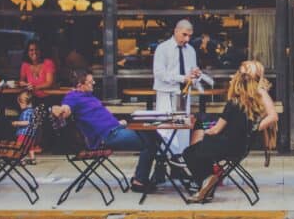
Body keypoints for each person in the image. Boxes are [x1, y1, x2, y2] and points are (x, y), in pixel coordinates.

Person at [179, 60, 278, 203]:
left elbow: (217, 129)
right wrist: (251, 130)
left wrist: (206, 133)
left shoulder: (238, 100)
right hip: (241, 147)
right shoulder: (254, 98)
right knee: (201, 149)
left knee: (191, 151)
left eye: (243, 70)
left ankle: (206, 180)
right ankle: (207, 187)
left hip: (228, 146)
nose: (238, 73)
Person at [52, 69, 159, 193]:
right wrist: (58, 109)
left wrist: (118, 123)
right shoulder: (72, 97)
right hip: (107, 136)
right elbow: (65, 109)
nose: (93, 84)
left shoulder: (88, 96)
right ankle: (139, 181)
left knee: (153, 134)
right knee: (150, 142)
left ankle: (146, 176)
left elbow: (98, 117)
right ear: (80, 85)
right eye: (90, 82)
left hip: (116, 129)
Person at [152, 19, 201, 152]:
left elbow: (192, 73)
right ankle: (164, 160)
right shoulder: (163, 48)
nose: (187, 39)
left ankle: (181, 159)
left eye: (190, 36)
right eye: (184, 35)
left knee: (182, 129)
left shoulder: (190, 50)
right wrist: (182, 78)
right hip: (166, 93)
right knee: (166, 129)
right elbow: (159, 73)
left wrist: (196, 75)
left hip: (183, 95)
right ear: (176, 31)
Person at [12, 90, 37, 165]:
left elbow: (27, 122)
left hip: (24, 133)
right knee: (30, 147)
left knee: (20, 147)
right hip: (31, 134)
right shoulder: (33, 111)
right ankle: (33, 159)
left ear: (24, 103)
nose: (20, 106)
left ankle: (21, 159)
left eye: (20, 104)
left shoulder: (26, 112)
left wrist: (16, 123)